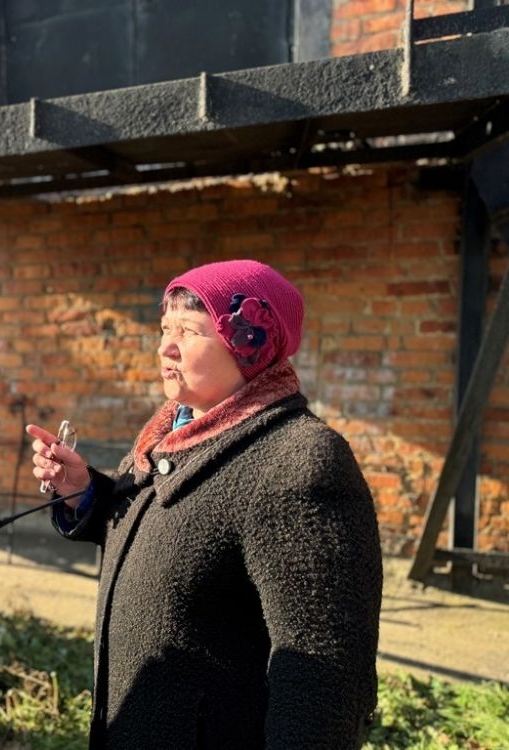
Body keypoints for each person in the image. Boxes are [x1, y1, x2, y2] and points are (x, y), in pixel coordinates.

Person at [28, 259, 382, 750]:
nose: (165, 346)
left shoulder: (300, 461)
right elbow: (167, 525)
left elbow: (322, 673)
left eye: (190, 331)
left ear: (250, 346)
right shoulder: (173, 429)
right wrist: (84, 490)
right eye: (165, 327)